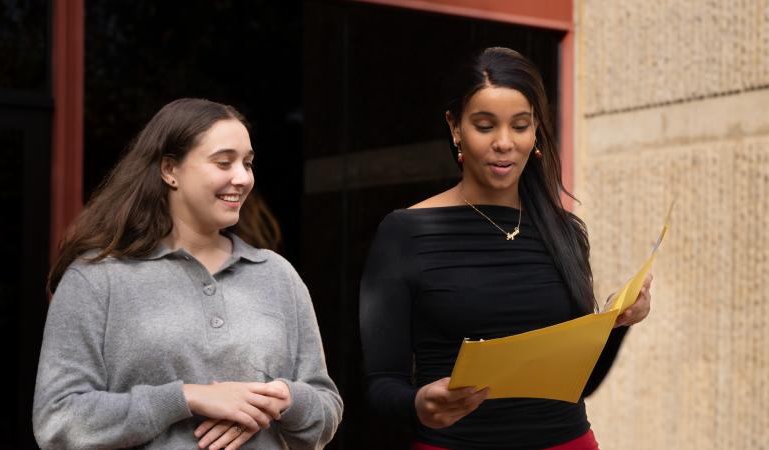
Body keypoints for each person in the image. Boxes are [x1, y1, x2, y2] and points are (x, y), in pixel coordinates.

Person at [359, 47, 653, 450]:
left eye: (520, 126)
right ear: (455, 127)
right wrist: (417, 403)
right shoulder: (404, 233)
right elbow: (380, 385)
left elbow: (579, 384)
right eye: (484, 126)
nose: (504, 143)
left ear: (535, 133)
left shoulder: (563, 230)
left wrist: (617, 324)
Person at [33, 98, 343, 450]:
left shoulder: (277, 275)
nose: (242, 178)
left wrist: (283, 400)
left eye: (248, 163)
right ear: (170, 170)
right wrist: (185, 398)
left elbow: (326, 410)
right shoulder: (97, 278)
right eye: (224, 162)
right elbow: (57, 419)